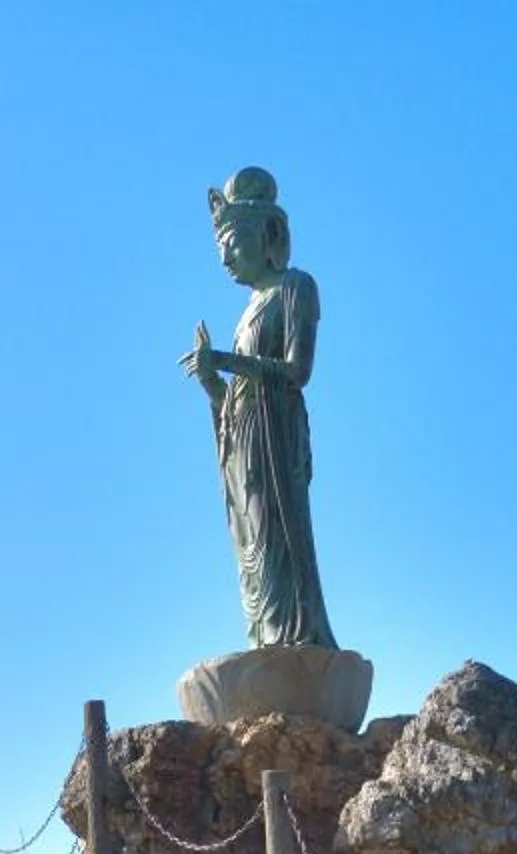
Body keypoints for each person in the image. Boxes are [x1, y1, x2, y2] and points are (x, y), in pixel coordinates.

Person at [181, 167, 338, 651]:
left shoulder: (295, 287)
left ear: (266, 235)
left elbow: (297, 372)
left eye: (233, 241)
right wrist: (213, 383)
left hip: (276, 435)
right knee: (251, 542)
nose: (226, 256)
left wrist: (229, 361)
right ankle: (266, 638)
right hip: (246, 435)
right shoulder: (247, 310)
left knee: (279, 539)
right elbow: (235, 401)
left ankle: (299, 635)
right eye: (220, 247)